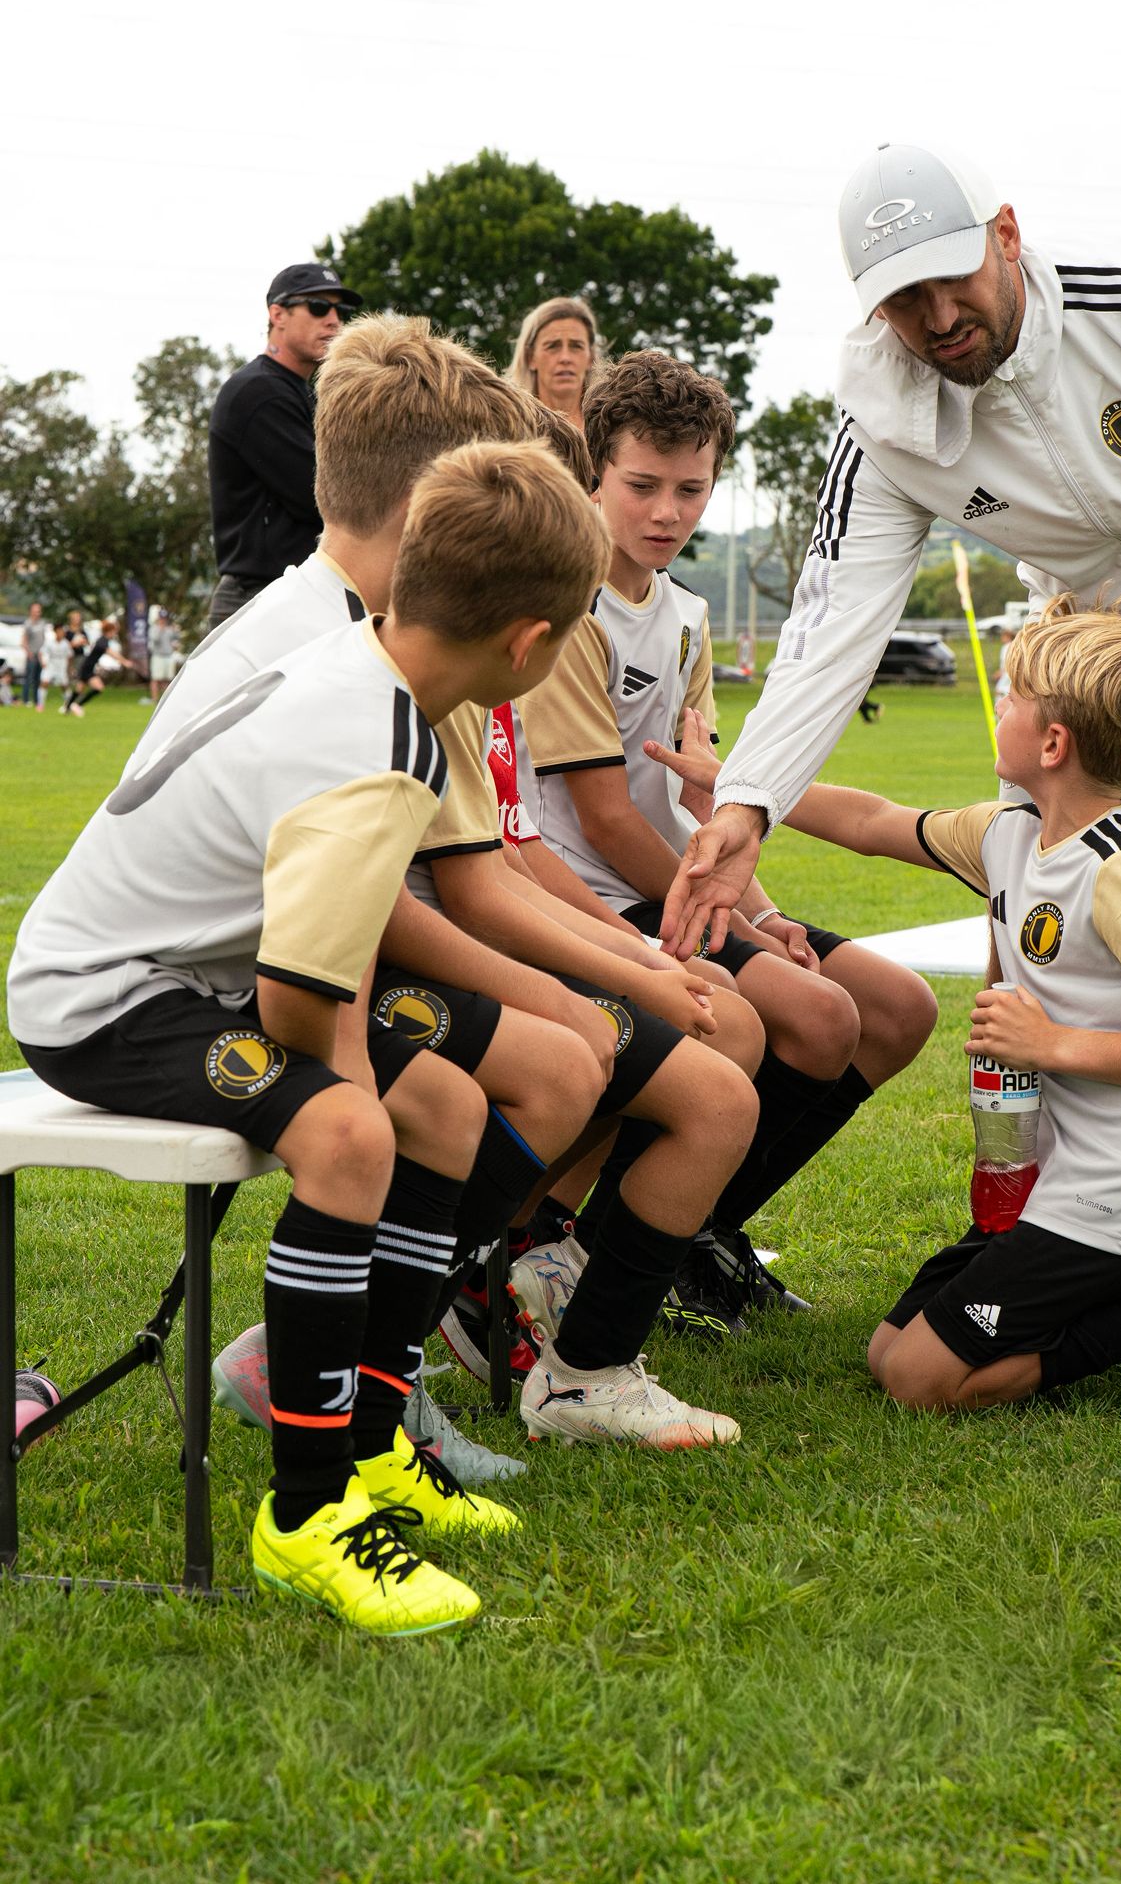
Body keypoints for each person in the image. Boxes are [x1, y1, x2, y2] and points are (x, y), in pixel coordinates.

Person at [663, 139, 1121, 1357]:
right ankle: (1043, 1213)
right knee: (1019, 911)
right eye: (901, 300)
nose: (938, 318)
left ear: (1002, 233)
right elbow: (833, 621)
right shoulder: (880, 411)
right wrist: (749, 807)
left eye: (953, 281)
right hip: (1093, 635)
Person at [7, 440, 609, 1634]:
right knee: (350, 1132)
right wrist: (346, 1123)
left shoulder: (369, 671)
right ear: (531, 645)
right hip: (100, 996)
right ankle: (308, 1514)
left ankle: (376, 1448)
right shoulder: (378, 751)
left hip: (196, 971)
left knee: (433, 1108)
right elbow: (296, 1002)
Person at [153, 313, 758, 1448]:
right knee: (624, 1074)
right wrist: (609, 976)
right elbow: (442, 896)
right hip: (237, 987)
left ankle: (419, 1345)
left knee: (615, 1063)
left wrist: (633, 961)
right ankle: (431, 1355)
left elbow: (463, 869)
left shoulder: (395, 638)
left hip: (306, 964)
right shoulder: (357, 652)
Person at [660, 598, 1121, 1415]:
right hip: (1059, 1180)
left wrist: (1053, 1043)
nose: (996, 707)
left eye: (1009, 697)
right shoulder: (1013, 830)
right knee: (888, 1350)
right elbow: (871, 822)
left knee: (921, 1382)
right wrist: (737, 789)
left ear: (1052, 744)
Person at [517, 350, 937, 1320]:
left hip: (683, 877)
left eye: (691, 488)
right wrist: (739, 931)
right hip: (595, 890)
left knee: (895, 1007)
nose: (667, 511)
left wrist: (767, 909)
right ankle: (630, 1248)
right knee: (817, 1016)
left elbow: (709, 798)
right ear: (594, 468)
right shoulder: (569, 606)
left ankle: (692, 1230)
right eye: (642, 485)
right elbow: (607, 817)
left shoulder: (689, 615)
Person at [206, 262, 361, 630]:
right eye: (319, 307)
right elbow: (325, 496)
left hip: (288, 597)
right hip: (259, 600)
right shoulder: (259, 392)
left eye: (341, 311)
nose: (334, 321)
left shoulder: (297, 392)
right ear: (278, 314)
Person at [505, 297, 602, 431]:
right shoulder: (509, 428)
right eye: (552, 346)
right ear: (530, 358)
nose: (565, 358)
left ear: (591, 358)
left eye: (576, 346)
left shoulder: (610, 429)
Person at [61, 618, 119, 715]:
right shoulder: (103, 641)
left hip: (88, 666)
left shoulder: (103, 640)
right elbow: (110, 652)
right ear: (110, 631)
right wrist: (124, 661)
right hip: (87, 667)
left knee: (79, 689)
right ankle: (75, 705)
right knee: (98, 688)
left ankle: (68, 707)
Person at [19, 603, 48, 709]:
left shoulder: (42, 623)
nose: (37, 613)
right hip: (31, 654)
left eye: (39, 611)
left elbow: (44, 638)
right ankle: (25, 700)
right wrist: (28, 652)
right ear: (31, 611)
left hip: (40, 654)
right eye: (35, 611)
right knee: (29, 678)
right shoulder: (28, 623)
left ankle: (37, 700)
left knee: (38, 678)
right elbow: (24, 640)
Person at [146, 609, 178, 702]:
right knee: (156, 678)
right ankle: (154, 699)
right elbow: (155, 639)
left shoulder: (169, 629)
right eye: (161, 618)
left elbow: (175, 639)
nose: (163, 620)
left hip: (168, 656)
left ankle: (166, 700)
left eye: (164, 618)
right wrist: (161, 629)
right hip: (158, 656)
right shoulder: (154, 628)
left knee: (167, 679)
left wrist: (175, 631)